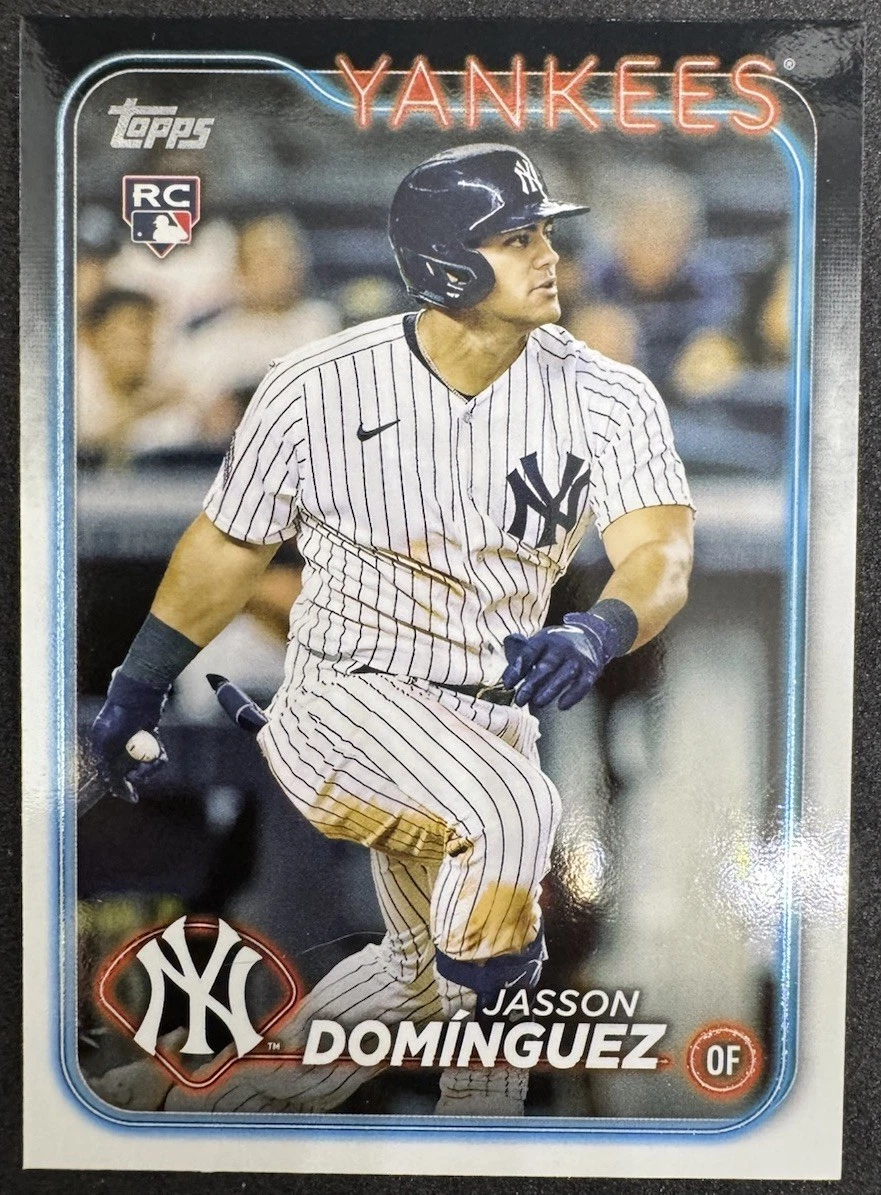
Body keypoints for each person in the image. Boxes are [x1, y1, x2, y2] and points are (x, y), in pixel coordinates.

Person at [89, 143, 694, 1117]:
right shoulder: (319, 382)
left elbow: (660, 549)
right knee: (514, 816)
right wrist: (137, 683)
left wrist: (598, 629)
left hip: (488, 720)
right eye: (517, 238)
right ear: (446, 264)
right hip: (344, 697)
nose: (549, 256)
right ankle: (480, 1126)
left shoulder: (608, 395)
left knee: (414, 979)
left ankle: (186, 1100)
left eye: (545, 234)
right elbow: (227, 545)